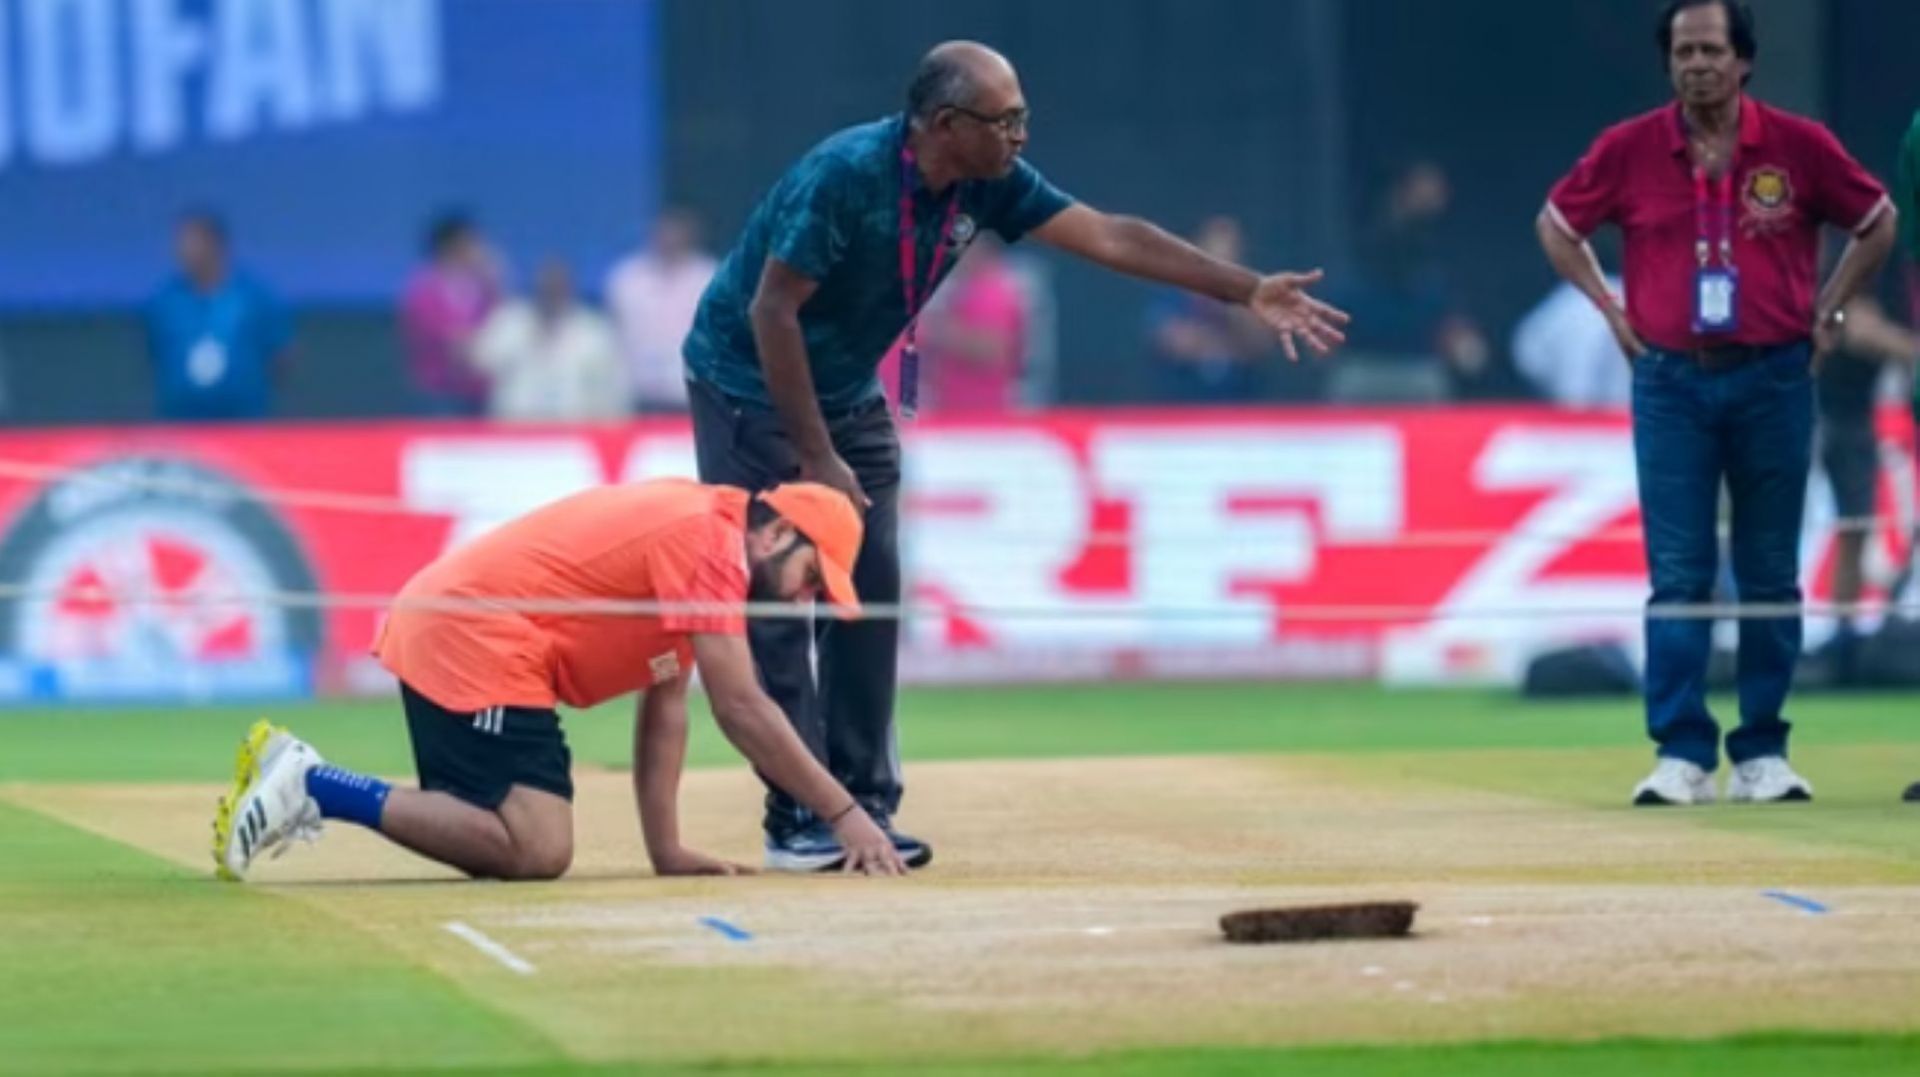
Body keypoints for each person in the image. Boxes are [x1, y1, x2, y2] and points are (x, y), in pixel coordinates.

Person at [682, 40, 1348, 871]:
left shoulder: (985, 181)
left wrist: (1245, 288)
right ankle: (801, 818)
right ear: (948, 125)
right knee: (785, 596)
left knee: (869, 592)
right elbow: (771, 312)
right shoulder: (844, 176)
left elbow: (1110, 235)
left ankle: (865, 805)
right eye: (1008, 121)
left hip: (849, 389)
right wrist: (816, 458)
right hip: (750, 383)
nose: (1022, 136)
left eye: (1023, 118)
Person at [1536, 0, 1896, 806]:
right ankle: (1682, 751)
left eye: (1710, 50)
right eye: (1682, 51)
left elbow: (1878, 221)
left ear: (1744, 62)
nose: (1695, 64)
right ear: (1669, 63)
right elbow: (1557, 227)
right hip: (1670, 378)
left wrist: (1830, 312)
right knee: (1680, 572)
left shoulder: (1799, 146)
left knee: (1770, 570)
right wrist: (1609, 307)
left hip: (1774, 373)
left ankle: (1763, 750)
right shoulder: (1629, 149)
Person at [212, 479, 908, 882]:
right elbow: (741, 707)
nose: (801, 599)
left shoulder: (712, 546)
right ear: (777, 531)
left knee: (507, 840)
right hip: (473, 636)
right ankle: (311, 783)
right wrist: (843, 812)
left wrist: (665, 849)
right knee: (537, 847)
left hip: (473, 637)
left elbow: (667, 704)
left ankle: (311, 783)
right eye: (811, 576)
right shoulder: (708, 543)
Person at [1811, 295, 1916, 683]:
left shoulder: (1889, 258)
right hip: (1827, 409)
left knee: (1860, 524)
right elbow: (1852, 324)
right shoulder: (1854, 248)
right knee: (1853, 524)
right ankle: (1841, 639)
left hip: (1864, 412)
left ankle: (1851, 638)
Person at [144, 210, 292, 422]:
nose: (183, 250)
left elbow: (281, 355)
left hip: (245, 424)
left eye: (192, 242)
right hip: (181, 425)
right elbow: (154, 353)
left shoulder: (254, 297)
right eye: (181, 243)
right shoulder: (164, 301)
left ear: (215, 244)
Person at [471, 259, 628, 422]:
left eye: (558, 287)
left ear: (569, 289)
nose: (552, 292)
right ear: (537, 288)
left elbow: (611, 385)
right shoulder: (510, 321)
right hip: (515, 425)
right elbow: (480, 362)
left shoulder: (594, 330)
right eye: (547, 287)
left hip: (574, 427)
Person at [1145, 217, 1273, 404]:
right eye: (1216, 252)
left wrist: (1232, 302)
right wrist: (1224, 345)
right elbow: (1174, 342)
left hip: (1240, 402)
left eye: (1229, 252)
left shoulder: (1250, 292)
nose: (1223, 258)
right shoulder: (1176, 288)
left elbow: (1259, 344)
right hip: (1182, 402)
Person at [606, 208, 719, 414]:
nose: (670, 238)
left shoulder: (708, 276)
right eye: (664, 231)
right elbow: (614, 334)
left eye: (676, 231)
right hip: (639, 396)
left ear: (690, 234)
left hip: (692, 395)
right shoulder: (628, 278)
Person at [400, 211, 502, 418]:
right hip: (440, 394)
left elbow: (501, 326)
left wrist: (494, 280)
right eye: (469, 242)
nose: (477, 249)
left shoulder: (481, 287)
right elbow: (450, 342)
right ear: (450, 246)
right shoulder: (424, 289)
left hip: (479, 394)